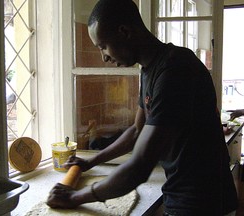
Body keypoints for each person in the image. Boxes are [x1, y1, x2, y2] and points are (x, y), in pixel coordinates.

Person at [47, 0, 238, 215]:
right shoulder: (150, 70)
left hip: (202, 202)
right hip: (183, 195)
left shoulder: (176, 68)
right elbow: (137, 131)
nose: (104, 57)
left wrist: (75, 197)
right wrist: (90, 162)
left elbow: (139, 167)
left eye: (103, 46)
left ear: (124, 31)